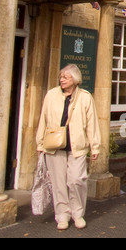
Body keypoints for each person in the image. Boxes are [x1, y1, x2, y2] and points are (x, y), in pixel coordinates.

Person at [36, 64, 101, 230]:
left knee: (76, 180)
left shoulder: (85, 97)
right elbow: (43, 119)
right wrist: (40, 143)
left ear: (75, 79)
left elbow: (92, 124)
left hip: (77, 145)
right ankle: (62, 215)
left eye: (66, 77)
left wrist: (95, 146)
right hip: (54, 144)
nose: (62, 80)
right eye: (61, 76)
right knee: (58, 183)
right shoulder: (51, 95)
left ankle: (77, 213)